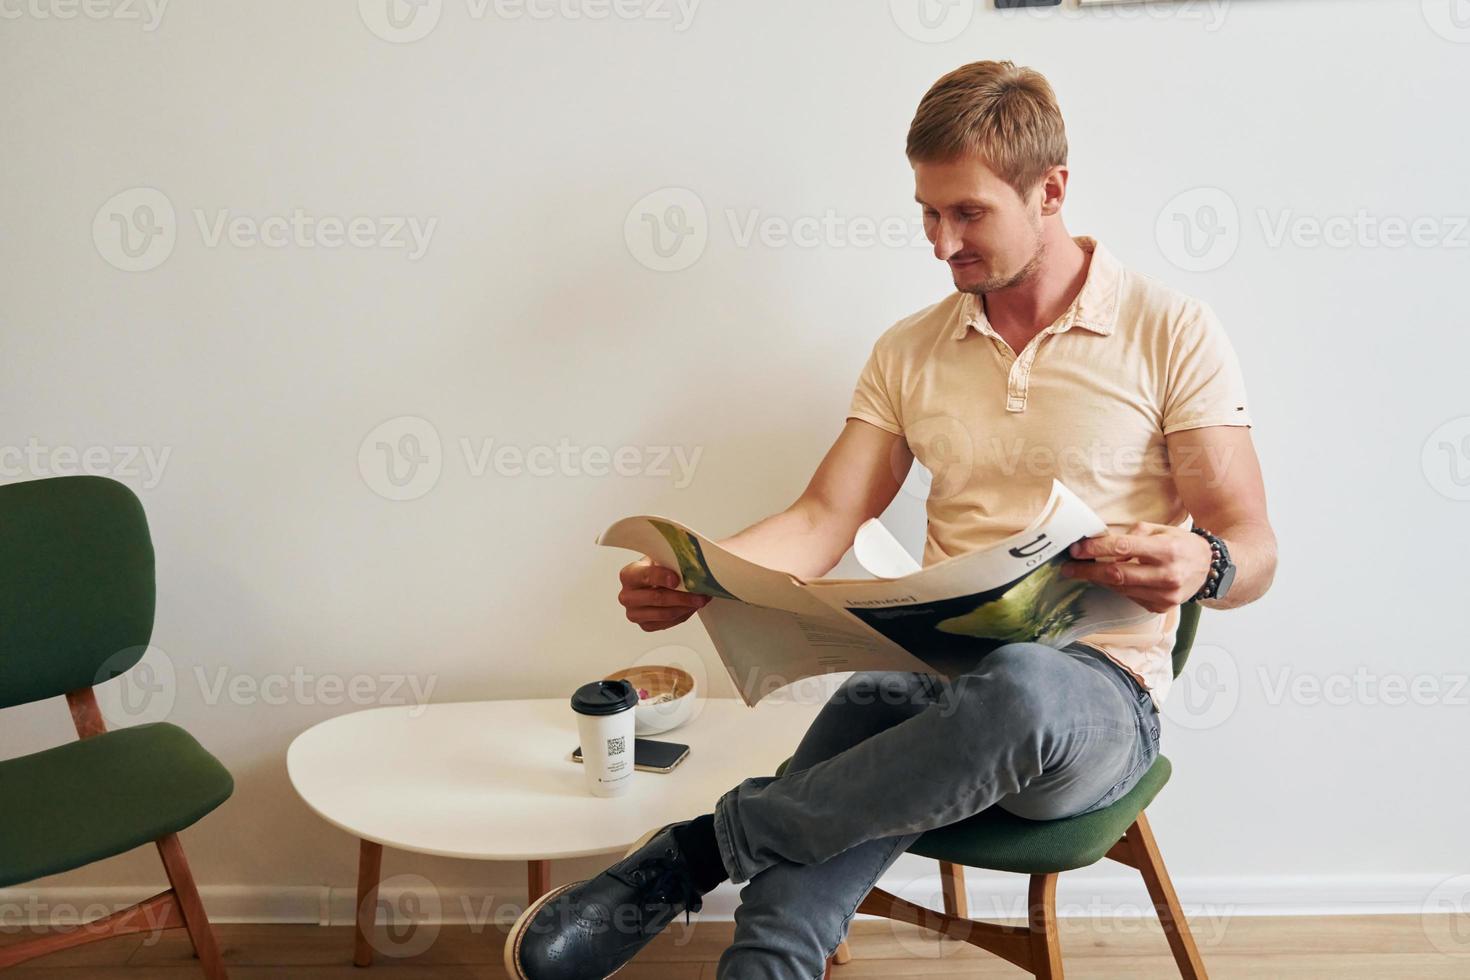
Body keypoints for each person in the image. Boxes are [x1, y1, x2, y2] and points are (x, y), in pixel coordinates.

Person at [504, 59, 1277, 980]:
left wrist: (1205, 563)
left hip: (1095, 699)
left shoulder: (1172, 330)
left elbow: (1255, 547)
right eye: (926, 211)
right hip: (932, 679)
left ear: (1052, 191)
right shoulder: (910, 349)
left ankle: (699, 851)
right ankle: (740, 898)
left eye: (968, 213)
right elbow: (827, 513)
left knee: (1022, 688)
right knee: (795, 892)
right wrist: (701, 573)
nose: (941, 241)